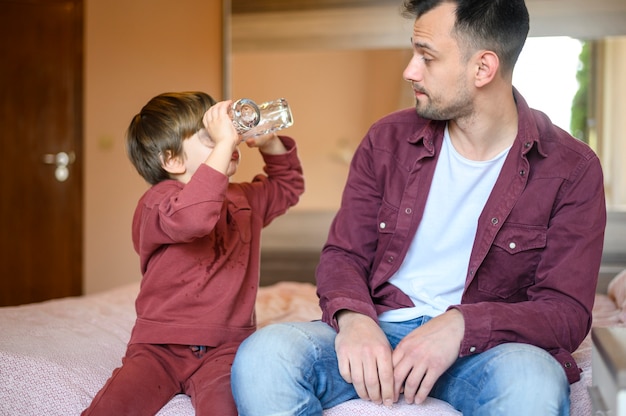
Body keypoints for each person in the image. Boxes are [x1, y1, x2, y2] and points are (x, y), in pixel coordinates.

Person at [231, 1, 606, 415]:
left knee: (534, 384)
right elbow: (344, 254)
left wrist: (461, 325)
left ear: (483, 68)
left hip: (487, 351)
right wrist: (355, 320)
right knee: (263, 357)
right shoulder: (386, 140)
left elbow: (566, 313)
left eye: (426, 56)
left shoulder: (572, 169)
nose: (410, 70)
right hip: (379, 330)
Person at [82, 91, 304, 416]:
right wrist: (225, 144)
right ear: (173, 160)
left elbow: (288, 187)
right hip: (159, 346)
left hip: (226, 349)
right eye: (212, 137)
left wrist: (270, 144)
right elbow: (194, 218)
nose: (229, 141)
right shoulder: (158, 203)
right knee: (115, 408)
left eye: (227, 135)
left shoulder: (243, 198)